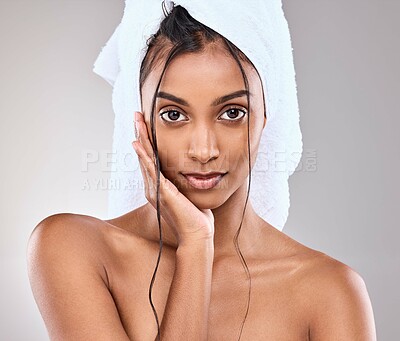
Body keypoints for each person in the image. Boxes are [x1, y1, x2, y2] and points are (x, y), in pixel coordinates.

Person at [27, 4, 377, 341]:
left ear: (267, 119)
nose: (204, 151)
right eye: (174, 115)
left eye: (232, 113)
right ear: (140, 122)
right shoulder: (73, 248)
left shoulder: (330, 291)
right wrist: (195, 246)